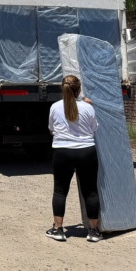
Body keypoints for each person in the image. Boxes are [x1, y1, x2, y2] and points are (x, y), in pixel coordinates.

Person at [45, 75, 102, 243]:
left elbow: (51, 130)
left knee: (60, 190)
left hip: (62, 151)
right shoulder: (87, 107)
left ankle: (58, 229)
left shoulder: (55, 107)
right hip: (86, 151)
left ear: (62, 89)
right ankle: (93, 231)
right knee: (90, 191)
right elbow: (94, 128)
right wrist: (87, 105)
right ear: (79, 90)